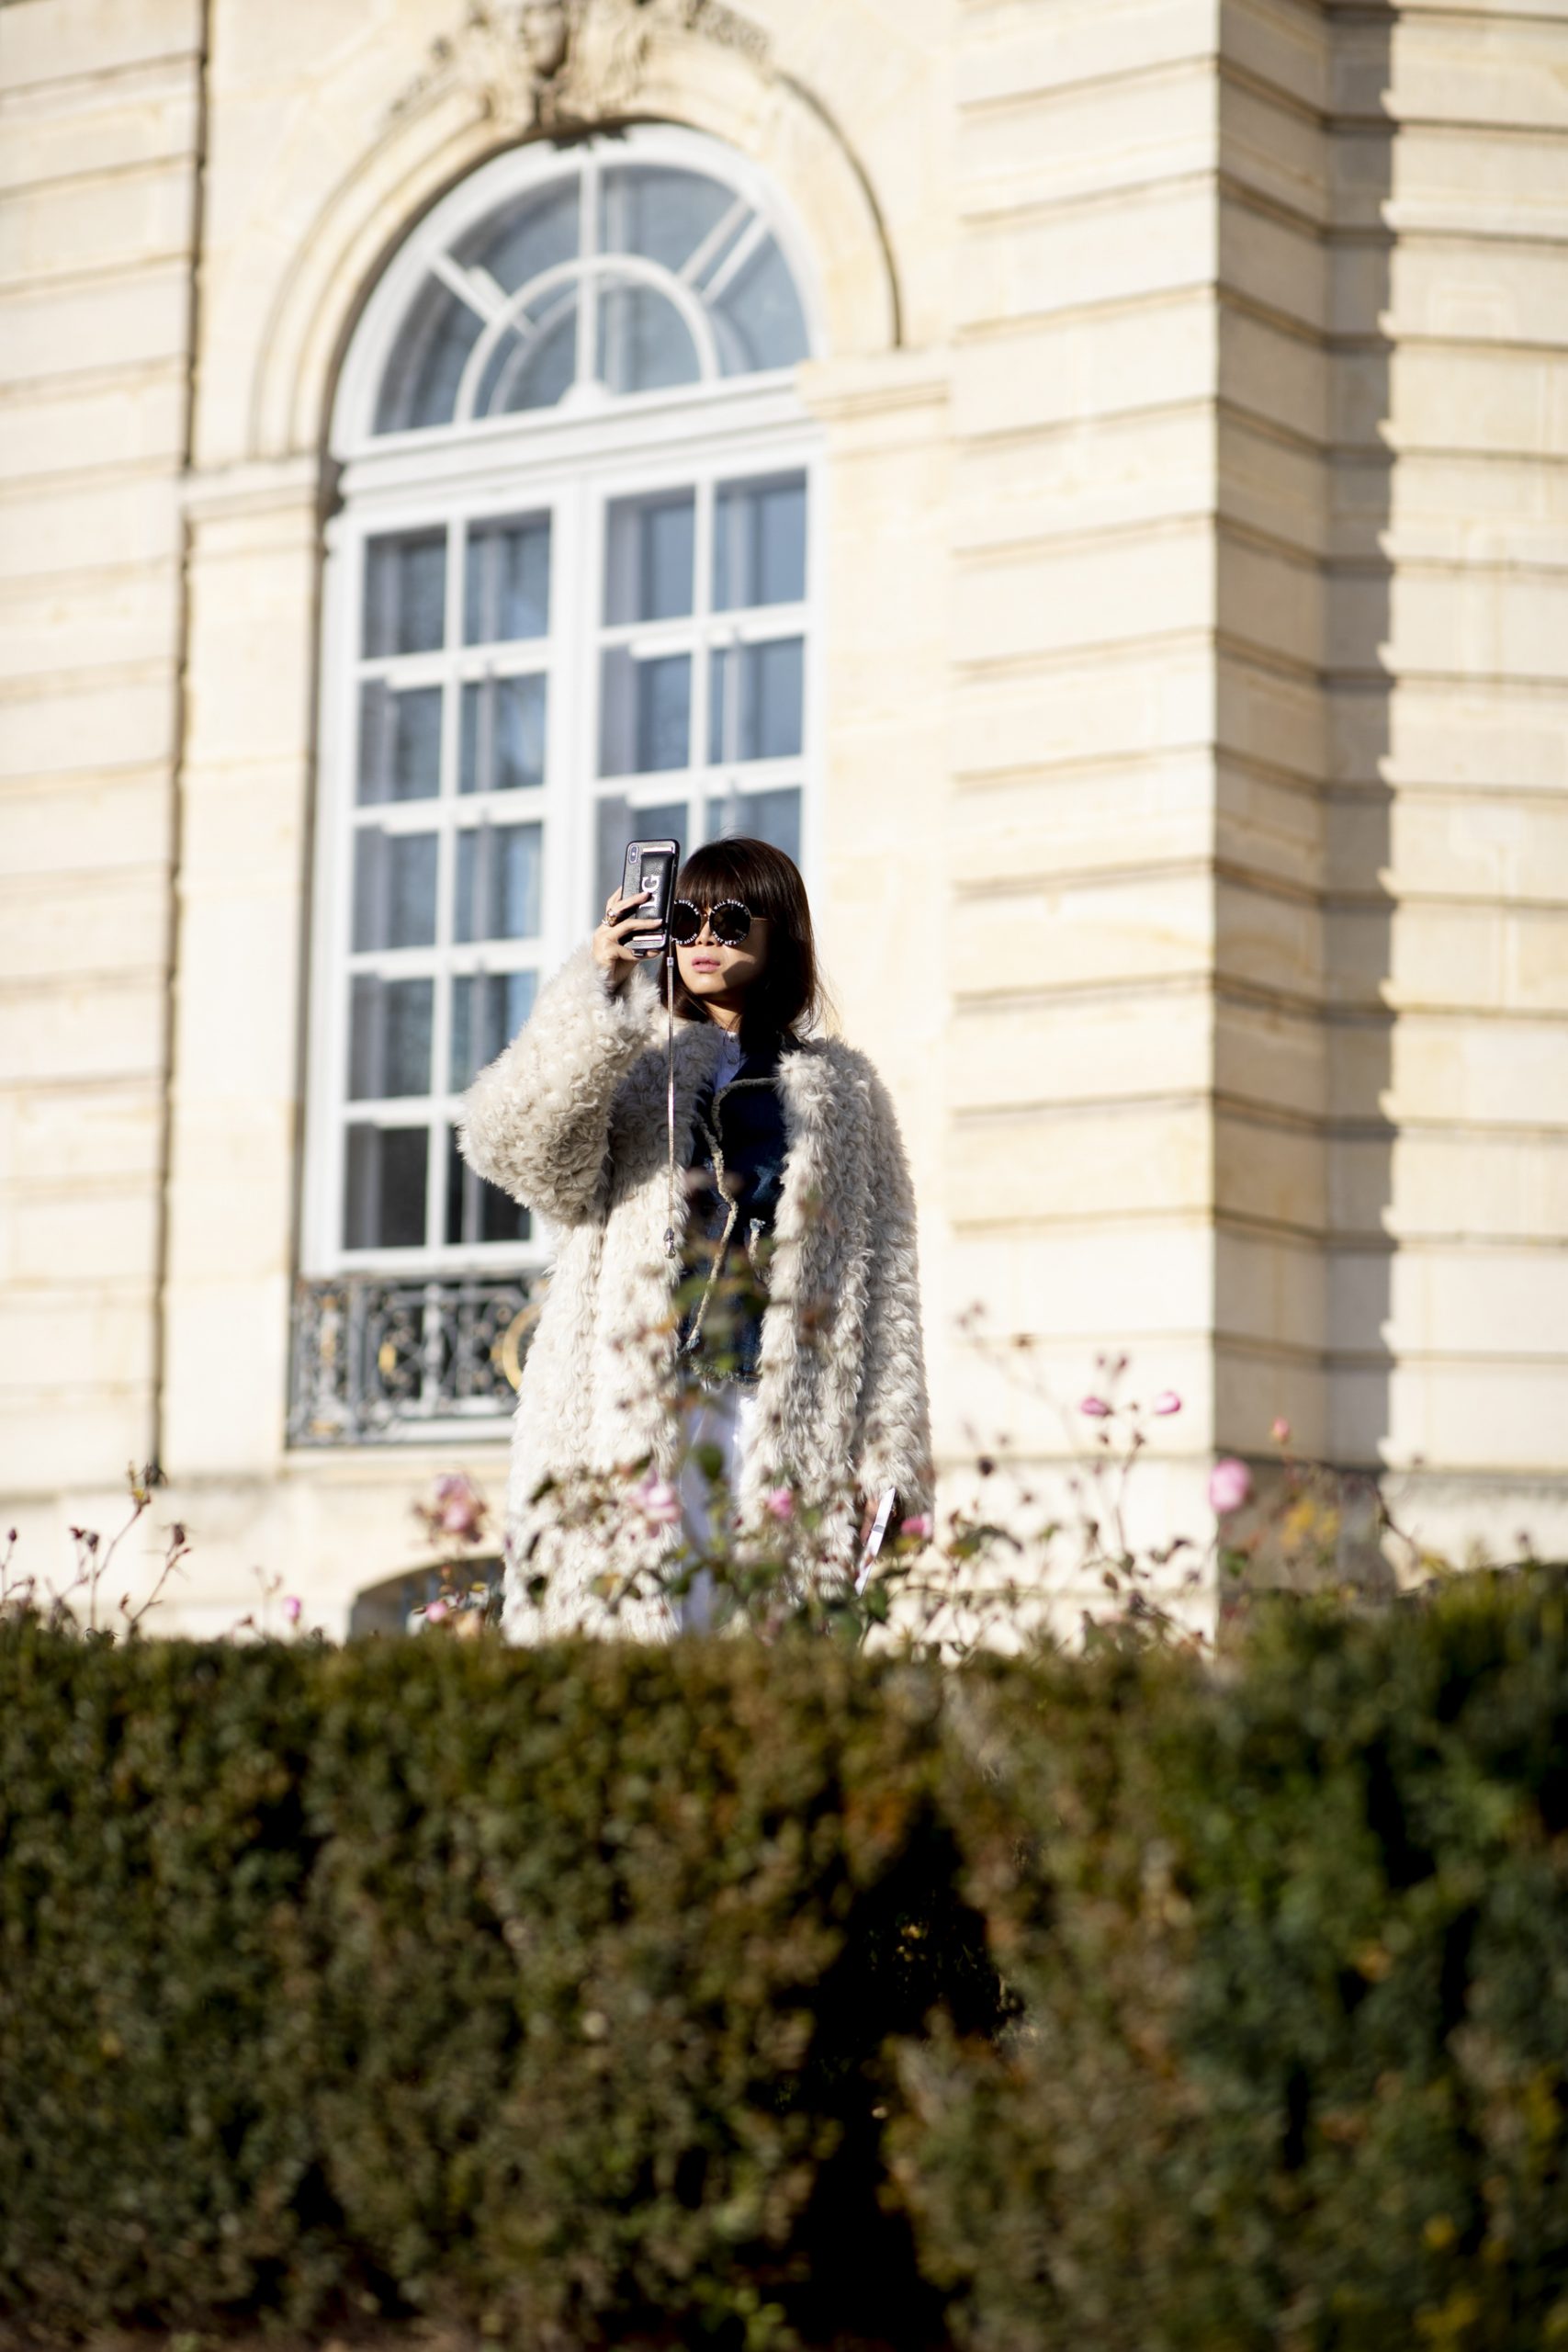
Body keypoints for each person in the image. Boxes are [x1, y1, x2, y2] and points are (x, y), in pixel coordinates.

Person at [457, 837, 932, 1639]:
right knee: (628, 1628)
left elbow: (882, 1282)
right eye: (684, 917)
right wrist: (600, 987)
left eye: (731, 918)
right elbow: (516, 1149)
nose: (704, 936)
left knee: (755, 1648)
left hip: (779, 1409)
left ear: (779, 932)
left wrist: (889, 1460)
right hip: (633, 1404)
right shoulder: (637, 1065)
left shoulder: (843, 1095)